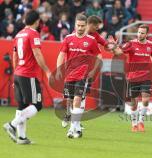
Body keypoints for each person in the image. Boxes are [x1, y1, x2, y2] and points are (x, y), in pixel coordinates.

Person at [3, 10, 52, 144]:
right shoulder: (33, 33)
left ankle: (22, 137)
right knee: (38, 104)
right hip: (28, 74)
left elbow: (14, 56)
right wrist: (47, 71)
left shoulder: (18, 34)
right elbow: (37, 53)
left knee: (22, 106)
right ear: (37, 21)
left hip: (18, 73)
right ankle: (12, 125)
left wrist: (15, 71)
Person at [56, 14, 102, 138]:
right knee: (70, 101)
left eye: (82, 26)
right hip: (69, 75)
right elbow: (61, 54)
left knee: (77, 100)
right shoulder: (68, 39)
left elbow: (99, 56)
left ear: (86, 25)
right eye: (78, 25)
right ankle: (77, 129)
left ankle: (71, 129)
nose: (80, 28)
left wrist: (93, 71)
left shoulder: (91, 40)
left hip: (83, 75)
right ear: (75, 25)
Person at [112, 24, 152, 132]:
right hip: (133, 77)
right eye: (138, 32)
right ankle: (134, 123)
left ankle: (141, 122)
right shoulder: (131, 44)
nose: (139, 34)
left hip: (146, 77)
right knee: (133, 103)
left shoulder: (151, 45)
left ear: (147, 34)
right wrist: (114, 47)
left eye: (142, 33)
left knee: (146, 99)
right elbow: (118, 52)